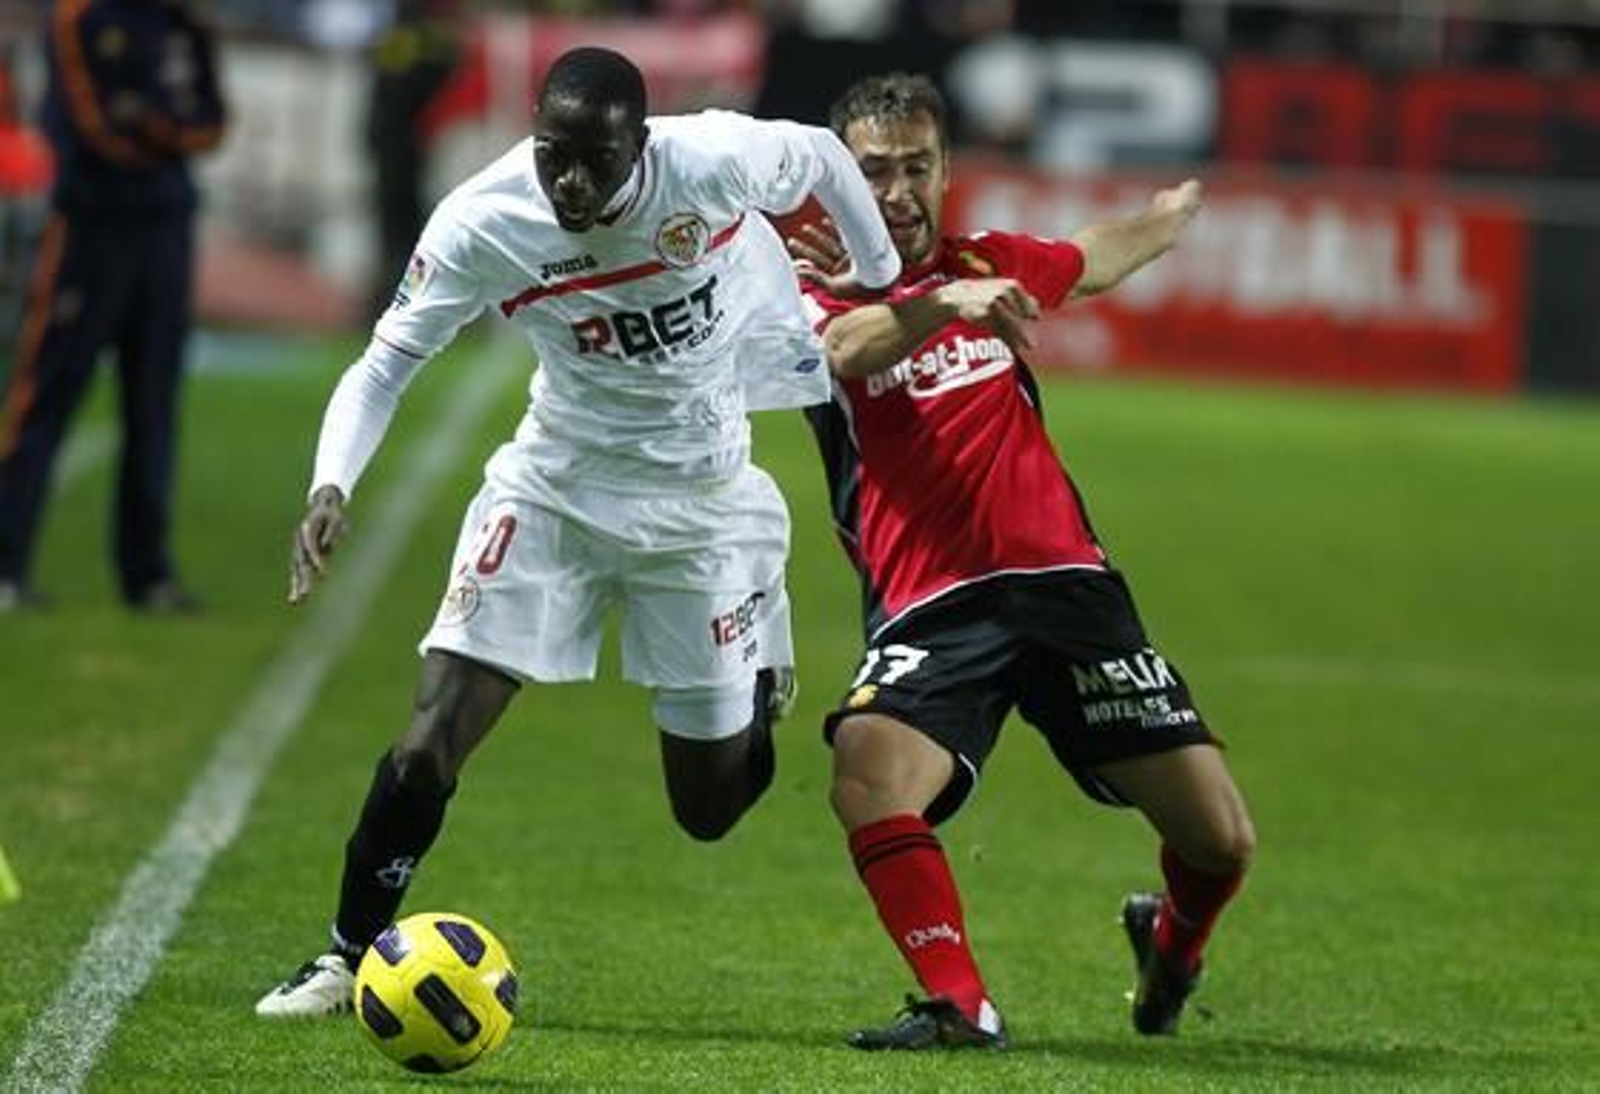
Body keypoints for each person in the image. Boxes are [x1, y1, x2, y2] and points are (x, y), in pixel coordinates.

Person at [254, 46, 900, 1017]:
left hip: (703, 506)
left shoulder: (711, 159)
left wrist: (876, 268)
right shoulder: (486, 216)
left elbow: (815, 151)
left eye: (592, 160)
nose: (568, 179)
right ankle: (346, 955)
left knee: (709, 808)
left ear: (639, 145)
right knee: (434, 732)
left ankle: (758, 673)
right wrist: (329, 483)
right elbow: (385, 363)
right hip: (555, 484)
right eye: (552, 152)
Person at [786, 72, 1255, 1050]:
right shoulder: (809, 287)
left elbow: (1087, 260)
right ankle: (960, 1002)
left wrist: (1167, 217)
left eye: (918, 165)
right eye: (874, 171)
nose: (900, 190)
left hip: (1068, 588)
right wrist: (945, 302)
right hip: (933, 605)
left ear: (948, 169)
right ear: (839, 181)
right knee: (866, 773)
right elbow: (847, 350)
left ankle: (1170, 943)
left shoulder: (988, 258)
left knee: (1219, 838)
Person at [0, 0, 226, 614]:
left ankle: (147, 575)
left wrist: (151, 123)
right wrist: (164, 129)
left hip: (166, 228)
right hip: (91, 226)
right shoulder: (82, 16)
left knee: (154, 404)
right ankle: (6, 563)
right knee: (46, 393)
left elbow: (210, 124)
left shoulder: (181, 22)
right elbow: (97, 126)